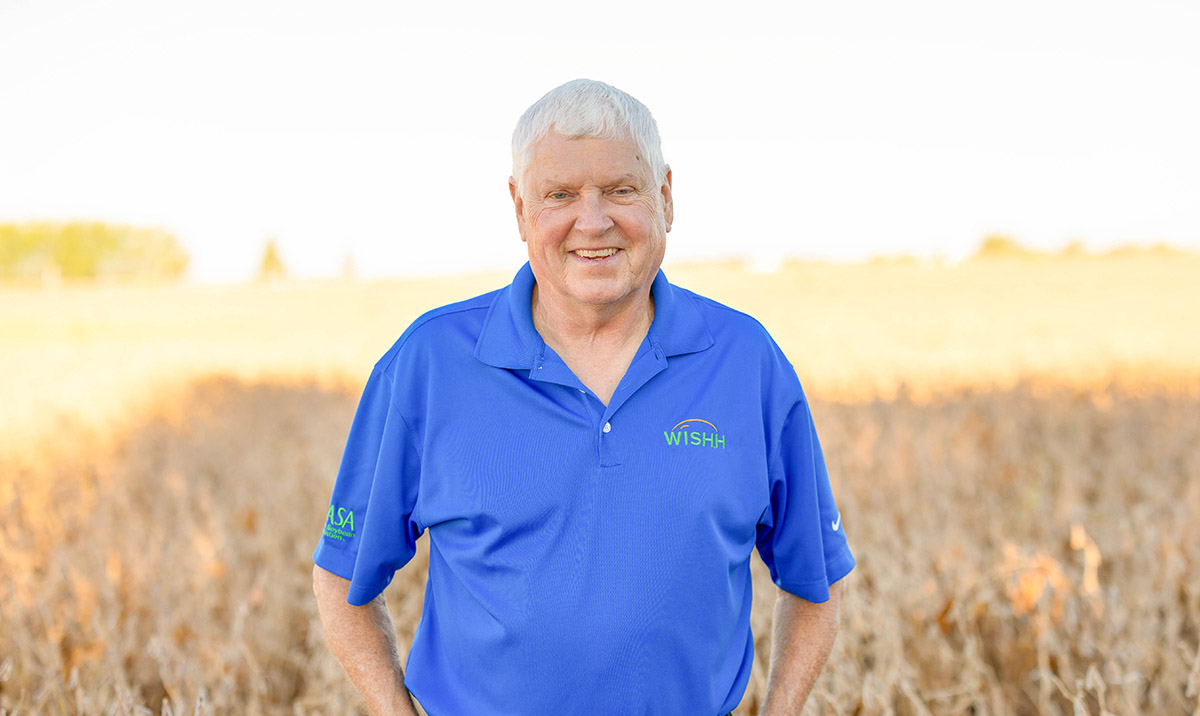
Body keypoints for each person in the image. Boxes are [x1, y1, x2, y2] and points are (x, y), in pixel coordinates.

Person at [312, 78, 854, 716]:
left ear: (666, 198)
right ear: (520, 210)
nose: (592, 222)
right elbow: (342, 578)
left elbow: (816, 578)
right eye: (560, 195)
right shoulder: (428, 365)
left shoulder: (746, 361)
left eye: (621, 190)